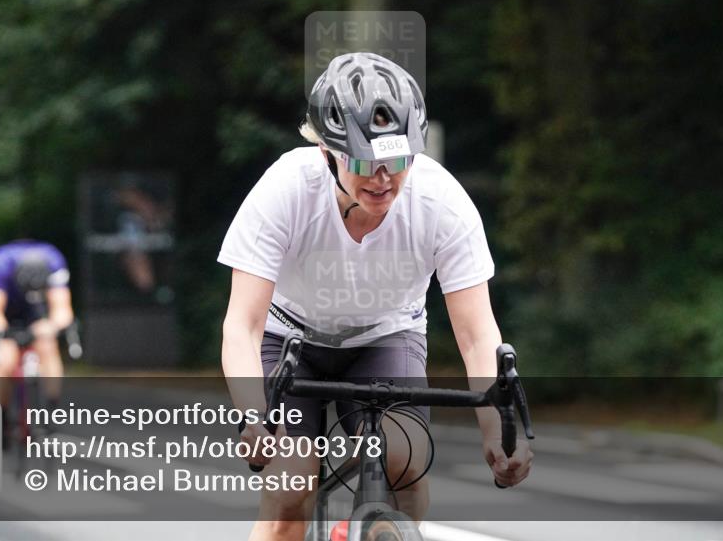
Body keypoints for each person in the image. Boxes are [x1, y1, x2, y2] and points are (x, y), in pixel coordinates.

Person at [219, 52, 533, 541]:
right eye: (365, 162)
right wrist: (252, 416)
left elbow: (476, 336)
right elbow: (242, 325)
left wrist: (496, 431)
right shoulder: (285, 189)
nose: (383, 178)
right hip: (289, 341)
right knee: (289, 490)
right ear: (326, 152)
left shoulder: (441, 202)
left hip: (386, 336)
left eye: (397, 160)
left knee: (406, 464)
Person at [0, 239, 76, 424]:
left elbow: (62, 308)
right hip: (8, 311)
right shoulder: (1, 263)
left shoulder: (53, 260)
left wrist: (52, 326)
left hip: (37, 313)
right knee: (4, 361)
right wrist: (1, 332)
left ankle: (51, 407)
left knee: (48, 347)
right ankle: (1, 414)